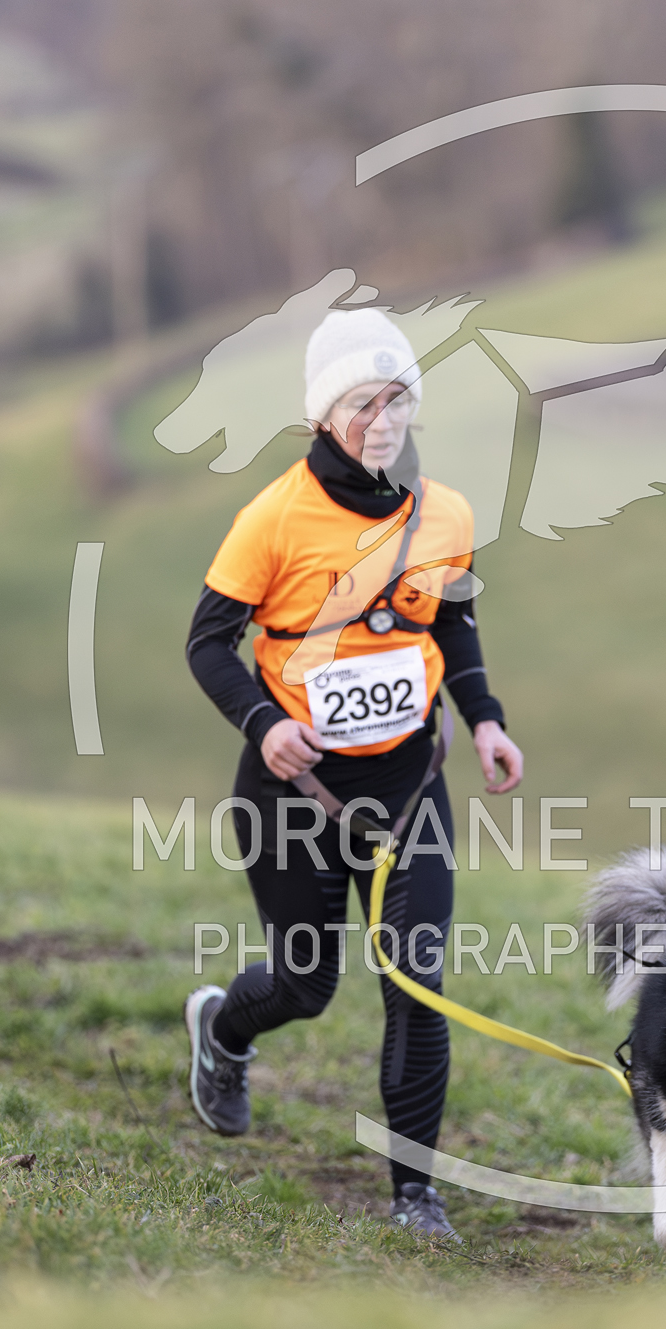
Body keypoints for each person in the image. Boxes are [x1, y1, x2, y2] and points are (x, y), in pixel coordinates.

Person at [182, 305, 522, 1240]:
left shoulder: (445, 512)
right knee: (306, 985)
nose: (383, 418)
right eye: (363, 402)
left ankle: (415, 1194)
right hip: (294, 792)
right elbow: (207, 643)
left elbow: (451, 620)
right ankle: (222, 1028)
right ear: (325, 415)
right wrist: (263, 723)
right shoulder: (272, 518)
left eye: (397, 397)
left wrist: (485, 720)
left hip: (409, 786)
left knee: (416, 978)